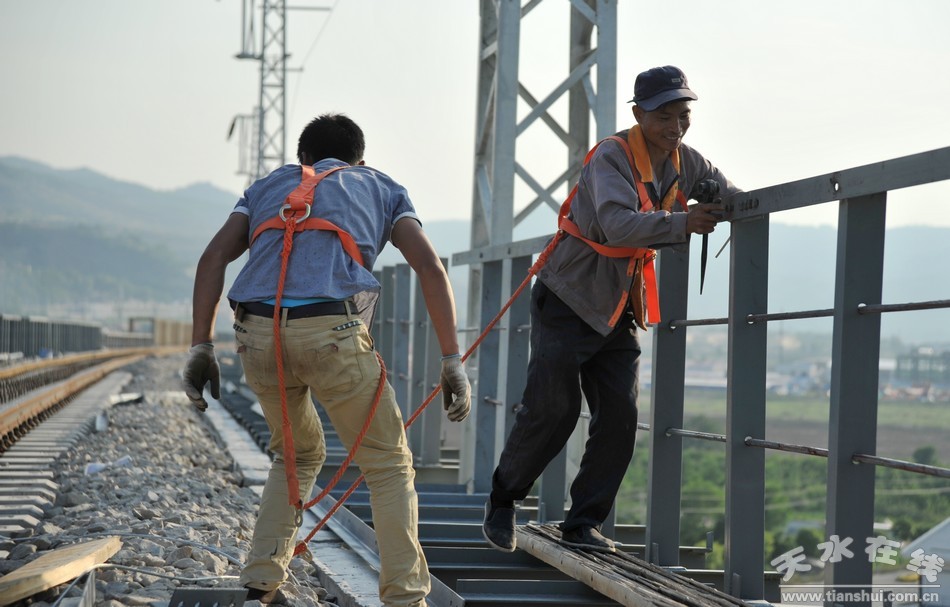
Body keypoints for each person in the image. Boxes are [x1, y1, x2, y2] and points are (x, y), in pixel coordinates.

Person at [181, 113, 471, 606]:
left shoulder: (267, 186)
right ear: (360, 160)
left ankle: (260, 583)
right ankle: (406, 598)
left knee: (294, 455)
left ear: (303, 159)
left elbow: (212, 259)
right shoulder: (381, 186)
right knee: (387, 463)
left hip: (256, 334)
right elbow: (428, 265)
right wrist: (451, 360)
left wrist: (201, 346)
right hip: (332, 332)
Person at [481, 66, 739, 553]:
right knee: (554, 409)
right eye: (664, 116)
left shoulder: (688, 161)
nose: (676, 126)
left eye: (683, 115)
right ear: (639, 114)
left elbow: (731, 193)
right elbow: (618, 226)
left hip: (620, 306)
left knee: (620, 415)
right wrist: (684, 222)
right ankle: (503, 499)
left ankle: (582, 524)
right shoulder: (611, 156)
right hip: (569, 298)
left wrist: (731, 205)